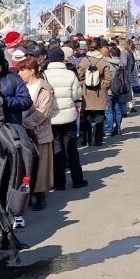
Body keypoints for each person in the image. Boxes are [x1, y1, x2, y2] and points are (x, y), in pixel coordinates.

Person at [44, 49, 87, 190]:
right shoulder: (70, 74)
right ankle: (77, 180)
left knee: (57, 150)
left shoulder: (44, 75)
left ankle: (59, 183)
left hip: (52, 118)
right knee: (72, 149)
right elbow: (76, 95)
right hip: (69, 116)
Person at [16, 56, 55, 211]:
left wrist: (23, 124)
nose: (19, 74)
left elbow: (42, 112)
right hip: (22, 132)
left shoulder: (44, 88)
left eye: (22, 70)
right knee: (26, 165)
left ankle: (40, 195)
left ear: (31, 71)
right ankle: (27, 193)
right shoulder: (20, 86)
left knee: (40, 166)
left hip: (39, 132)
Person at [0, 45, 31, 126]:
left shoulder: (14, 78)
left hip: (10, 128)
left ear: (2, 64)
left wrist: (4, 101)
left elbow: (27, 101)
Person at [78, 43, 112, 147]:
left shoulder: (84, 61)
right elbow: (109, 78)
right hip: (100, 92)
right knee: (100, 116)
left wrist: (83, 83)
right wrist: (104, 85)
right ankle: (98, 140)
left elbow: (80, 75)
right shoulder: (103, 61)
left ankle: (87, 140)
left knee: (87, 117)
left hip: (87, 92)